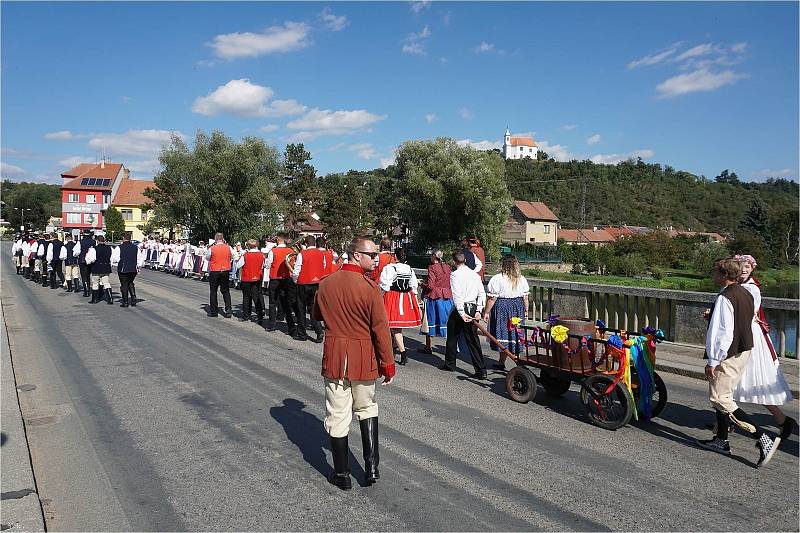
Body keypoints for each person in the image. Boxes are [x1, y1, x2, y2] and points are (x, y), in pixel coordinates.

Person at [311, 236, 395, 490]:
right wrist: (387, 363)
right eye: (371, 255)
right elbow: (381, 329)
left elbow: (316, 314)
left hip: (336, 355)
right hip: (363, 357)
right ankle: (371, 468)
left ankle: (342, 474)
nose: (376, 259)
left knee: (337, 415)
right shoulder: (369, 288)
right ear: (356, 255)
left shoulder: (326, 284)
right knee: (367, 408)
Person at [695, 258, 779, 467]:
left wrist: (713, 360)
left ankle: (762, 437)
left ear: (724, 275)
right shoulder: (746, 292)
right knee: (726, 395)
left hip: (729, 354)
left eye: (715, 272)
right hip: (743, 350)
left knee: (720, 398)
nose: (713, 275)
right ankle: (721, 440)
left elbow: (722, 333)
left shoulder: (726, 297)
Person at [733, 254, 796, 441]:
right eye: (740, 266)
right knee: (731, 383)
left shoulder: (751, 289)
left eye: (747, 267)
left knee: (751, 382)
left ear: (752, 269)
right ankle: (725, 422)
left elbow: (745, 314)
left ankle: (783, 420)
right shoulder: (738, 286)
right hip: (741, 335)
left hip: (749, 338)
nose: (744, 270)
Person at [440, 250, 487, 379]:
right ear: (465, 260)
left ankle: (450, 364)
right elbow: (482, 293)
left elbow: (457, 296)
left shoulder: (455, 275)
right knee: (473, 339)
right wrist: (478, 310)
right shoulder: (475, 275)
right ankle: (481, 370)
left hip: (462, 308)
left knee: (452, 335)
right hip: (472, 307)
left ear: (455, 262)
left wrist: (461, 312)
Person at [483, 254, 530, 369]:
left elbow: (492, 298)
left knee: (503, 333)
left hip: (502, 307)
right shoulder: (521, 278)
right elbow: (525, 298)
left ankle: (504, 361)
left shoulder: (497, 279)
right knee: (515, 334)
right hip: (517, 307)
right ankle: (514, 361)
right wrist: (526, 310)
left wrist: (486, 312)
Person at [379, 248, 421, 365]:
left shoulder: (390, 268)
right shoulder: (409, 269)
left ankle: (403, 353)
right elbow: (414, 285)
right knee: (396, 326)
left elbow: (384, 285)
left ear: (395, 257)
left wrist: (380, 296)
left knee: (393, 326)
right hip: (406, 297)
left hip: (393, 297)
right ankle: (394, 350)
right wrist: (415, 301)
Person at [292, 234, 326, 343]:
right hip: (317, 284)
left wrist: (295, 280)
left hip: (303, 283)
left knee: (301, 309)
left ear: (306, 244)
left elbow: (297, 270)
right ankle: (319, 330)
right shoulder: (322, 254)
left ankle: (302, 334)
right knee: (313, 308)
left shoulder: (302, 254)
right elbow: (323, 266)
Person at [264, 232, 299, 336]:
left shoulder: (273, 251)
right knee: (287, 303)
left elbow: (267, 265)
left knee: (272, 302)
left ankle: (272, 325)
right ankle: (291, 327)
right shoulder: (291, 251)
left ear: (278, 240)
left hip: (275, 279)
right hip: (287, 279)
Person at [420, 249, 453, 354]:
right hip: (447, 297)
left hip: (434, 297)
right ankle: (451, 348)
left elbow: (430, 286)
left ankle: (428, 347)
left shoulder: (432, 267)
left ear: (434, 256)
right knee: (448, 323)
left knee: (430, 321)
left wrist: (422, 285)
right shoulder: (448, 267)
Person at [236, 239, 266, 323]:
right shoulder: (262, 255)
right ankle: (260, 316)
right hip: (257, 277)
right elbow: (265, 265)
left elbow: (238, 265)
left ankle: (246, 315)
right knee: (256, 297)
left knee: (246, 297)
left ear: (249, 246)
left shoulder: (245, 255)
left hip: (246, 278)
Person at [205, 233, 234, 318]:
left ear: (215, 239)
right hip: (225, 270)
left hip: (215, 270)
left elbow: (207, 258)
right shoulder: (228, 247)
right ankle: (228, 309)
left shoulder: (212, 248)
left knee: (213, 291)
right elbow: (233, 256)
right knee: (225, 290)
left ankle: (214, 312)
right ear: (223, 238)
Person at [113, 232, 141, 308]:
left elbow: (115, 258)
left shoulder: (119, 247)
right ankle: (133, 298)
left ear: (123, 238)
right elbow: (139, 259)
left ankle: (125, 302)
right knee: (130, 282)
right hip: (133, 268)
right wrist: (137, 266)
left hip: (123, 268)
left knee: (124, 284)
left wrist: (119, 262)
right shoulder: (136, 248)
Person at [85, 234, 114, 304]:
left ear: (97, 241)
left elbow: (90, 260)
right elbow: (112, 258)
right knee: (106, 283)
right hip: (106, 268)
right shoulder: (109, 248)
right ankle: (110, 299)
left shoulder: (93, 249)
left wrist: (87, 263)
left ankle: (94, 300)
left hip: (96, 268)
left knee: (95, 283)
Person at [74, 230, 96, 297]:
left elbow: (76, 252)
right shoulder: (94, 242)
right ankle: (95, 289)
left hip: (83, 261)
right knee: (92, 276)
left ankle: (87, 291)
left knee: (84, 276)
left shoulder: (80, 242)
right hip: (92, 261)